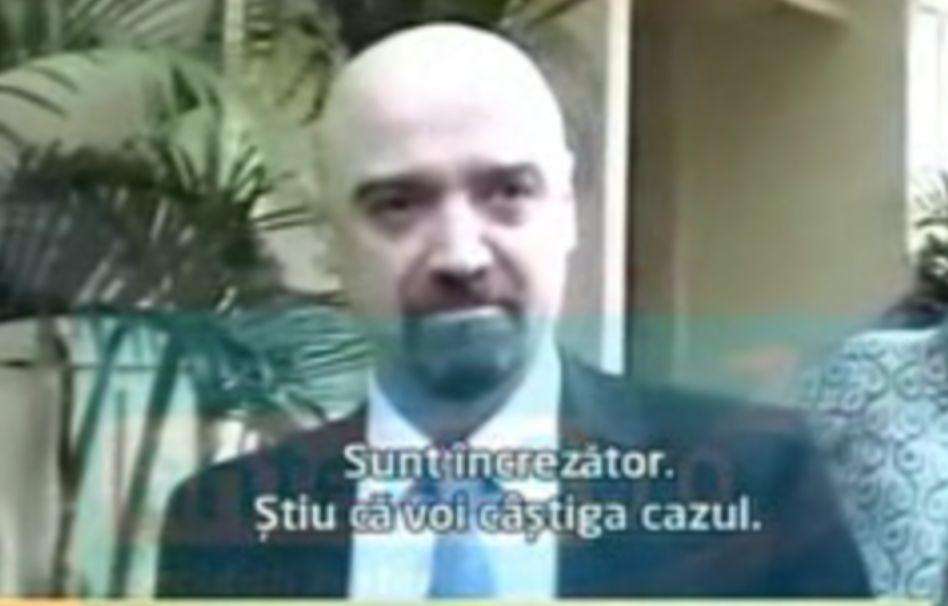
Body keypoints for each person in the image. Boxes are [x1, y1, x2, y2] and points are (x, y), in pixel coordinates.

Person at [155, 23, 869, 599]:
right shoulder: (226, 527)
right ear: (328, 241)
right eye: (398, 204)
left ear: (566, 211)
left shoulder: (759, 485)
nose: (460, 256)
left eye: (507, 193)